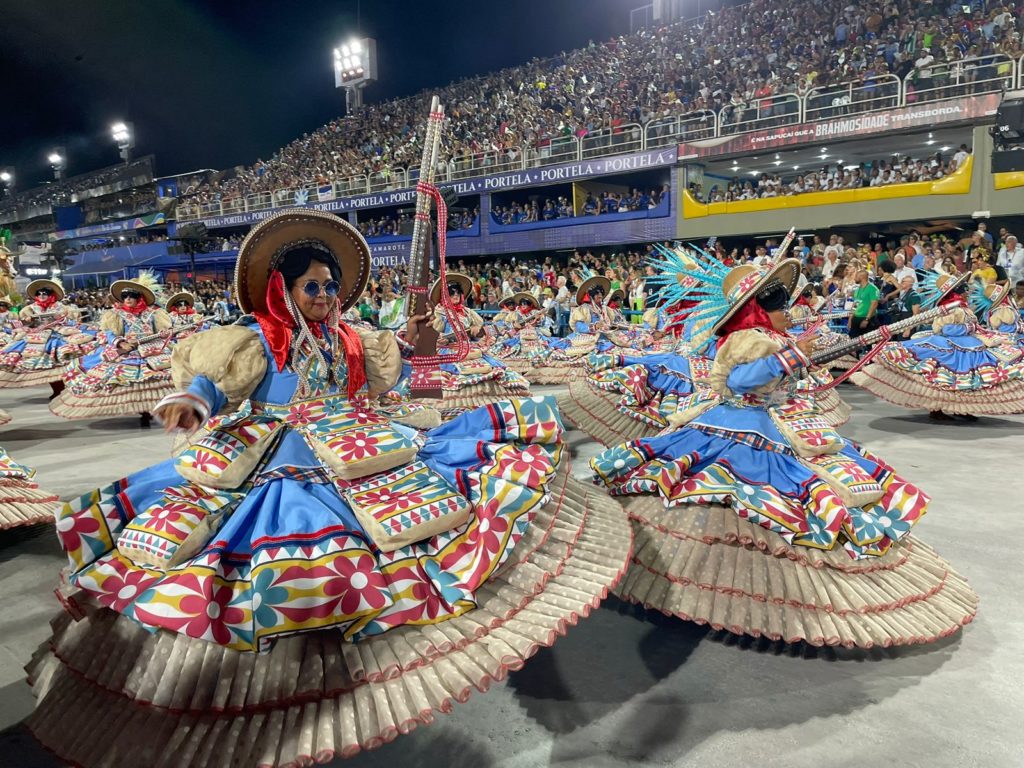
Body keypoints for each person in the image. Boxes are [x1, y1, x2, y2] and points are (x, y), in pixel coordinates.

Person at [29, 210, 631, 765]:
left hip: (354, 447)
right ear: (282, 289)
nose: (323, 296)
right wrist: (194, 399)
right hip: (276, 458)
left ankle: (343, 666)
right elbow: (218, 383)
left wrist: (416, 334)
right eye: (311, 286)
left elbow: (393, 376)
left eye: (329, 286)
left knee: (409, 532)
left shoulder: (353, 337)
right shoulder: (258, 338)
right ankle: (272, 695)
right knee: (277, 567)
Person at [589, 250, 977, 647]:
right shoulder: (746, 340)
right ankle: (705, 588)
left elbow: (783, 372)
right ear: (761, 311)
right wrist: (792, 357)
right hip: (740, 423)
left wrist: (801, 356)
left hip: (781, 421)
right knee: (738, 497)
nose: (788, 314)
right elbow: (741, 381)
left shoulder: (771, 337)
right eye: (781, 309)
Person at [852, 272, 1024, 420]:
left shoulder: (962, 308)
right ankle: (937, 408)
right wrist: (969, 327)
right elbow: (947, 329)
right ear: (956, 293)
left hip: (967, 345)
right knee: (944, 378)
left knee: (964, 381)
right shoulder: (951, 309)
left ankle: (962, 409)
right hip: (951, 345)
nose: (967, 292)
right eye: (963, 289)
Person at [50, 272, 175, 425]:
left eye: (132, 295)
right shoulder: (115, 315)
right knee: (127, 378)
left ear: (140, 297)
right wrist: (120, 343)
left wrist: (164, 334)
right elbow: (108, 333)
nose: (128, 298)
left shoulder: (155, 314)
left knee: (164, 375)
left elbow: (163, 332)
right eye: (125, 296)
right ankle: (143, 411)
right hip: (127, 349)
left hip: (152, 348)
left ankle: (156, 409)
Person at [0, 278, 97, 398]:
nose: (41, 295)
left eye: (45, 293)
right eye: (38, 293)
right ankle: (57, 390)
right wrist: (26, 322)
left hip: (59, 336)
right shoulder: (28, 309)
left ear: (51, 295)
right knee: (46, 367)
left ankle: (72, 387)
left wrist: (61, 318)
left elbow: (73, 322)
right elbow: (17, 324)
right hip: (38, 337)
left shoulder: (63, 308)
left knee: (66, 362)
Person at [848, 269, 879, 338]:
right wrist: (850, 319)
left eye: (856, 276)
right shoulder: (858, 289)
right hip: (856, 318)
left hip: (868, 319)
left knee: (869, 341)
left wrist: (867, 319)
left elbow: (874, 304)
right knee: (853, 340)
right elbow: (856, 304)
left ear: (862, 277)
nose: (854, 278)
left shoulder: (873, 289)